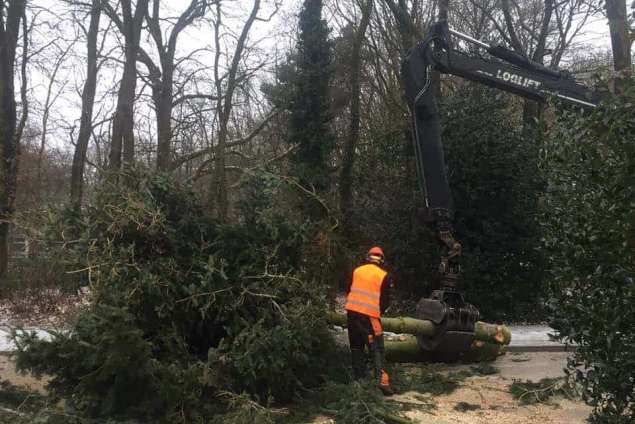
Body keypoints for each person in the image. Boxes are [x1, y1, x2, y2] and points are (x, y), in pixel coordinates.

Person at [345, 246, 395, 396]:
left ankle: (360, 381)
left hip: (351, 313)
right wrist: (377, 311)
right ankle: (382, 382)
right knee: (378, 348)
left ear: (368, 257)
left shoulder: (356, 271)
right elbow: (385, 301)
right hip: (369, 317)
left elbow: (349, 290)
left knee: (356, 348)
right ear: (381, 260)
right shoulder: (384, 275)